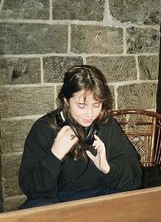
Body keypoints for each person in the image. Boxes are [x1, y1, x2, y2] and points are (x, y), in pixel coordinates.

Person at [18, 65, 142, 209]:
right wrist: (54, 156)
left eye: (96, 105)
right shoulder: (44, 129)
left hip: (103, 196)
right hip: (58, 200)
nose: (90, 114)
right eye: (82, 106)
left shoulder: (107, 125)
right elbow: (31, 189)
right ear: (66, 101)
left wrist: (108, 169)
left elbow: (136, 179)